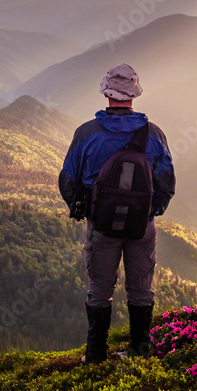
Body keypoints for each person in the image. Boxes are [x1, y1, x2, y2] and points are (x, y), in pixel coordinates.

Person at [59, 64, 176, 363]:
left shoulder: (86, 133)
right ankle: (139, 352)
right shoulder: (154, 135)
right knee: (141, 289)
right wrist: (150, 212)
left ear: (106, 92)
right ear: (134, 94)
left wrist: (86, 211)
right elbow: (166, 182)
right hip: (141, 227)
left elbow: (68, 180)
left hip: (102, 228)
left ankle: (95, 356)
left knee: (99, 290)